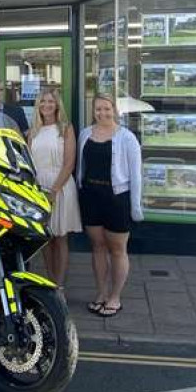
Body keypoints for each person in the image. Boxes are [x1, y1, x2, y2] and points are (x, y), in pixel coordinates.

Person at [76, 94, 143, 317]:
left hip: (116, 198)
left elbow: (136, 175)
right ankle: (101, 293)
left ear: (114, 110)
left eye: (106, 109)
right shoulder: (85, 134)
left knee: (117, 249)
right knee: (97, 247)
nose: (102, 113)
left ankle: (115, 297)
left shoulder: (127, 138)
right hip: (91, 197)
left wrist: (135, 206)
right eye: (98, 109)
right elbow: (81, 167)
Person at [27, 88, 81, 286]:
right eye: (42, 102)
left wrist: (54, 191)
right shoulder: (33, 131)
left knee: (60, 238)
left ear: (57, 105)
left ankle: (59, 285)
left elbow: (69, 163)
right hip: (38, 187)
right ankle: (50, 282)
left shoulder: (65, 128)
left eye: (50, 102)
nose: (46, 105)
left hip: (60, 186)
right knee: (45, 239)